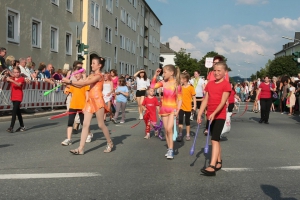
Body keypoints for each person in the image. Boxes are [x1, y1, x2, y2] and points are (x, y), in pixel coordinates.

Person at [62, 56, 113, 154]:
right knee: (85, 124)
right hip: (90, 101)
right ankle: (80, 148)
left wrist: (70, 81)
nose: (91, 65)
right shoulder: (90, 75)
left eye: (94, 63)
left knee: (101, 124)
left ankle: (109, 142)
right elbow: (82, 83)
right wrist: (69, 83)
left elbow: (86, 82)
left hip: (98, 101)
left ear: (99, 65)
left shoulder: (99, 76)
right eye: (91, 63)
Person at [196, 61, 231, 176]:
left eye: (219, 70)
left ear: (225, 72)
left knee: (214, 139)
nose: (216, 73)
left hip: (219, 115)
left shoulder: (226, 84)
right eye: (214, 70)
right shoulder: (210, 84)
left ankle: (211, 166)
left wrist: (215, 113)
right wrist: (200, 113)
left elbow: (222, 102)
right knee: (215, 139)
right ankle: (219, 161)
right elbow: (206, 99)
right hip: (209, 115)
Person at [151, 65, 182, 160]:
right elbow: (152, 86)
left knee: (169, 129)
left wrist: (178, 110)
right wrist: (155, 75)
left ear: (171, 73)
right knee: (165, 129)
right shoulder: (163, 82)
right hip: (164, 109)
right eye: (163, 72)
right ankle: (169, 148)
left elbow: (180, 99)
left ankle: (171, 149)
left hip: (173, 109)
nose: (163, 74)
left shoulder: (177, 84)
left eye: (165, 72)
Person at [61, 69, 90, 146]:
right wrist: (65, 85)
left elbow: (87, 96)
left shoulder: (85, 84)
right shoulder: (73, 84)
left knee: (83, 123)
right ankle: (69, 139)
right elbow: (67, 90)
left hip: (82, 106)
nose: (76, 75)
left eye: (77, 74)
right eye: (75, 74)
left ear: (81, 74)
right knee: (70, 122)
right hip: (73, 105)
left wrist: (85, 106)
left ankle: (89, 134)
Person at [176, 72, 196, 141]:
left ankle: (188, 134)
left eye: (181, 78)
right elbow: (177, 97)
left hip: (188, 107)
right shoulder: (180, 87)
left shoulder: (191, 87)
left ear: (185, 79)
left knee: (187, 121)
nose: (180, 80)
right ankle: (180, 134)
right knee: (180, 120)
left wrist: (194, 106)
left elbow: (194, 97)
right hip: (181, 107)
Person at [6, 66, 26, 133]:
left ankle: (11, 127)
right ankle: (22, 126)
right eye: (15, 72)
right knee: (18, 112)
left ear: (19, 72)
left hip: (18, 96)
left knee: (14, 111)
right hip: (13, 96)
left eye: (17, 72)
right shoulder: (13, 78)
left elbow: (18, 85)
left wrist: (11, 80)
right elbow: (5, 80)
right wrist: (6, 75)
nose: (16, 74)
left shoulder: (22, 79)